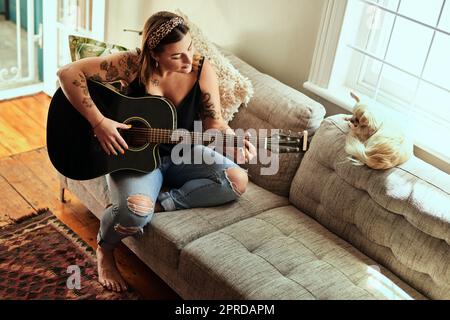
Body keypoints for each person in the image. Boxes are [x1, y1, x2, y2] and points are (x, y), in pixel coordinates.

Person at [56, 11, 256, 292]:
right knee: (134, 215)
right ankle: (105, 249)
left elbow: (214, 122)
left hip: (182, 154)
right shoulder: (130, 65)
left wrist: (231, 140)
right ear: (155, 54)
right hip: (134, 158)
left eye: (190, 48)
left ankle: (161, 202)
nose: (189, 60)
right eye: (177, 56)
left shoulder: (201, 68)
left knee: (236, 181)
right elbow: (67, 73)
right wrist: (99, 123)